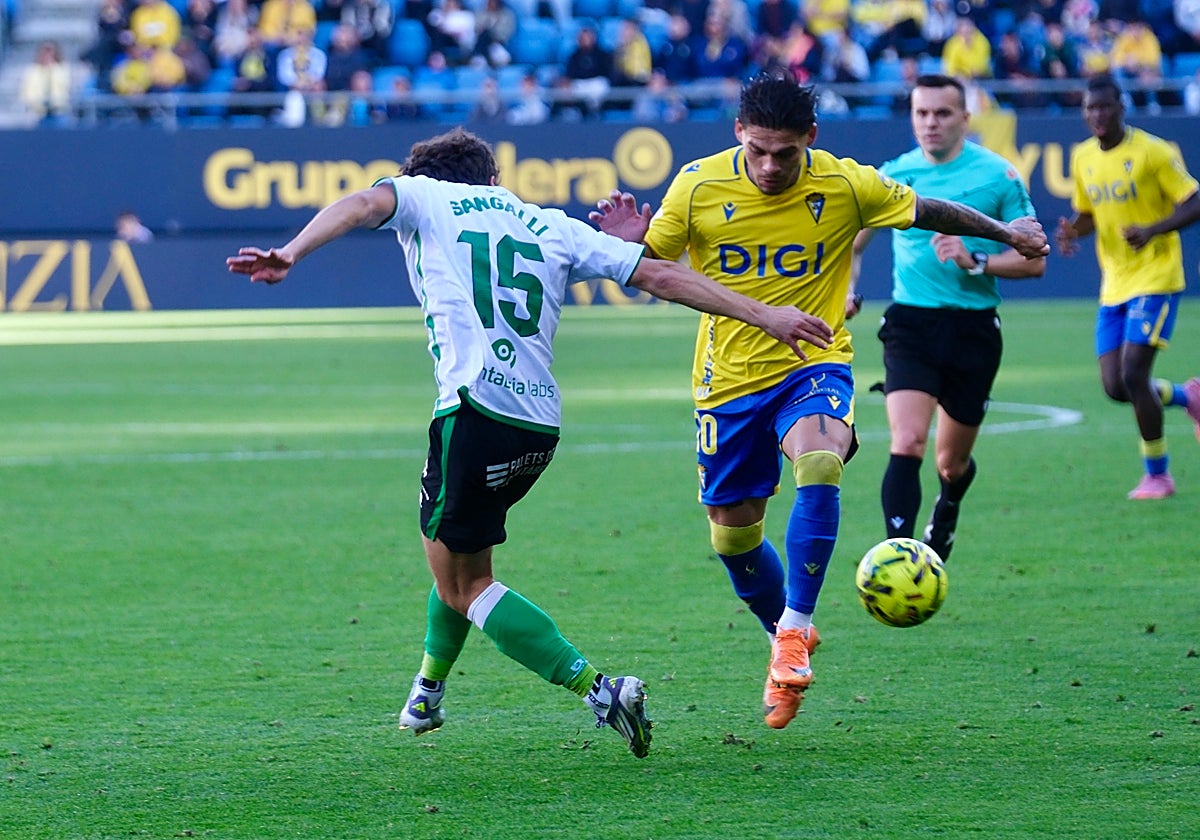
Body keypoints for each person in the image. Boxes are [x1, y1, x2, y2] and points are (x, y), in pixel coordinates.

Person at [225, 127, 831, 758]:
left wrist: (290, 252)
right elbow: (657, 274)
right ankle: (427, 692)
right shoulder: (548, 223)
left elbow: (359, 204)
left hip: (473, 412)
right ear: (494, 181)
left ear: (420, 178)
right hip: (537, 425)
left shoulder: (422, 196)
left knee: (464, 584)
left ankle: (601, 690)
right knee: (455, 556)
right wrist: (766, 314)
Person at [590, 72, 1048, 731]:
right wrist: (632, 241)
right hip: (728, 381)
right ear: (738, 134)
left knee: (820, 459)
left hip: (814, 360)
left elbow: (929, 210)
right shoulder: (696, 185)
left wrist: (1008, 232)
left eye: (785, 153)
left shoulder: (846, 183)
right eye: (757, 151)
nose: (770, 167)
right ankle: (780, 628)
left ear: (810, 136)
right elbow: (652, 271)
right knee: (732, 535)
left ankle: (795, 629)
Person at [847, 74, 1045, 562]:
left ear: (965, 118)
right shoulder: (894, 175)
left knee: (951, 463)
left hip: (974, 329)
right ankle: (899, 556)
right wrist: (848, 287)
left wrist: (976, 260)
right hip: (911, 324)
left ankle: (949, 503)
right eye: (921, 113)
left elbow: (1034, 260)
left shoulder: (998, 175)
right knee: (908, 440)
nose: (930, 123)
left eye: (942, 113)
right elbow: (852, 243)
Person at [1055, 73, 1200, 500]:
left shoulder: (1153, 151)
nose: (1098, 115)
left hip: (1156, 276)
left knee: (1135, 373)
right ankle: (1187, 396)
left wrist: (1153, 230)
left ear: (1121, 108)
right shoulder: (1083, 157)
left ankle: (1158, 475)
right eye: (1091, 108)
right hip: (1114, 282)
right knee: (1116, 386)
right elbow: (1089, 213)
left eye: (1105, 106)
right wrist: (1072, 232)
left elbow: (1194, 200)